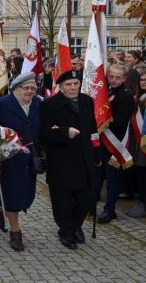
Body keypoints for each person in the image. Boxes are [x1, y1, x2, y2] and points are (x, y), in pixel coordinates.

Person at [41, 69, 99, 249]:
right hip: (62, 161)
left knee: (85, 198)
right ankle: (66, 231)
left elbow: (93, 129)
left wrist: (96, 153)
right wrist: (64, 132)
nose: (73, 88)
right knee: (62, 201)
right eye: (68, 84)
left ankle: (76, 226)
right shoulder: (49, 105)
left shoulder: (87, 101)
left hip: (85, 159)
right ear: (61, 87)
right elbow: (44, 134)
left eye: (76, 84)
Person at [0, 72, 41, 251]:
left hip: (30, 158)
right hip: (9, 159)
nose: (29, 91)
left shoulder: (39, 103)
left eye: (33, 88)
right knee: (14, 195)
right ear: (15, 89)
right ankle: (15, 233)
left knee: (26, 195)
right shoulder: (1, 105)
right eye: (25, 88)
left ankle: (0, 210)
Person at [97, 63, 133, 224]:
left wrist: (100, 120)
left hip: (114, 143)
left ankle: (109, 210)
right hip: (100, 142)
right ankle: (91, 205)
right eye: (111, 76)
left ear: (124, 78)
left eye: (118, 77)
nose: (114, 80)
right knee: (97, 176)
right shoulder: (105, 91)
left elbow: (119, 122)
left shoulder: (125, 96)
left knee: (112, 180)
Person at [127, 69, 146, 217]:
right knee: (140, 173)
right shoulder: (137, 98)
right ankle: (141, 202)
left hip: (143, 139)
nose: (143, 82)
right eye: (141, 80)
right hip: (138, 142)